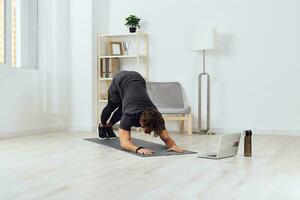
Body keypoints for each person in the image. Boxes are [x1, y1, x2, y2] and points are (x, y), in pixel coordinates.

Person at [98, 71, 184, 156]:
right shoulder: (129, 115)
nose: (147, 132)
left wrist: (173, 145)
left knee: (123, 109)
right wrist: (138, 149)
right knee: (112, 106)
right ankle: (103, 125)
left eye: (150, 129)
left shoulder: (157, 117)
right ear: (141, 120)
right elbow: (124, 143)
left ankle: (109, 125)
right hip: (121, 79)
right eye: (145, 127)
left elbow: (167, 138)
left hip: (138, 79)